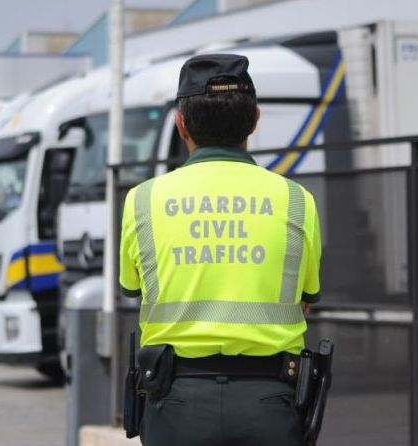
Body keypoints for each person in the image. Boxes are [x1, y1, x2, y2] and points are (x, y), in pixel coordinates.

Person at [119, 54, 322, 446]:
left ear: (181, 123)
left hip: (175, 403)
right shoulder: (297, 200)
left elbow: (134, 289)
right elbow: (306, 299)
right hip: (271, 402)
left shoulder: (142, 200)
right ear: (255, 119)